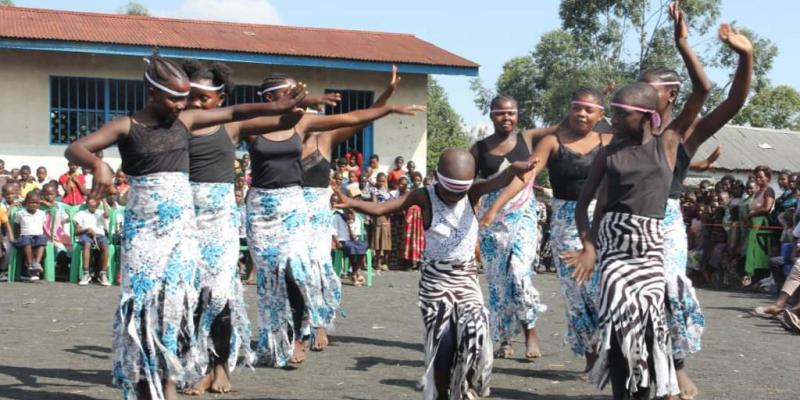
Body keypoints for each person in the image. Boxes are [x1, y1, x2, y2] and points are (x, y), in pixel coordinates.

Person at [64, 49, 306, 400]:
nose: (182, 105)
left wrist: (286, 105)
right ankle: (147, 381)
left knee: (179, 303)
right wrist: (96, 164)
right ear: (152, 93)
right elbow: (75, 148)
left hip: (183, 233)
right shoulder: (126, 126)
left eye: (185, 98)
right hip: (145, 233)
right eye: (175, 98)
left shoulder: (185, 122)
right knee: (146, 304)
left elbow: (238, 111)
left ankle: (171, 383)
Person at [245, 71, 423, 368]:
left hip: (311, 215)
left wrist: (388, 99)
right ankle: (281, 334)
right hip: (272, 210)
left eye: (302, 97)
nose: (301, 102)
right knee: (276, 276)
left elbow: (358, 118)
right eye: (293, 96)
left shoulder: (321, 135)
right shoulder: (262, 129)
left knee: (309, 271)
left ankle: (312, 328)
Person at [333, 148, 537, 400]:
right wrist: (352, 202)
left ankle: (467, 388)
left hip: (465, 278)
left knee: (475, 335)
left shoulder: (472, 192)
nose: (453, 195)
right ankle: (441, 395)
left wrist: (513, 170)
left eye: (460, 190)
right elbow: (383, 208)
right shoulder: (424, 196)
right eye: (449, 189)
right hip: (434, 281)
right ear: (436, 177)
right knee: (444, 343)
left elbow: (498, 181)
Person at [566, 65, 709, 399]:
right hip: (614, 251)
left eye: (621, 114)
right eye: (612, 113)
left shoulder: (668, 144)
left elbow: (701, 90)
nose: (612, 120)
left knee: (649, 330)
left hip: (649, 251)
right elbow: (585, 205)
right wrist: (590, 247)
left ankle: (645, 391)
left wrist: (683, 44)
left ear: (647, 116)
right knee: (618, 327)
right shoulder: (609, 154)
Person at [638, 16, 753, 398]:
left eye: (650, 90)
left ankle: (675, 366)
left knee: (668, 293)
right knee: (635, 301)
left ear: (671, 95)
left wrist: (744, 57)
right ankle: (643, 369)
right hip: (627, 225)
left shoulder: (686, 134)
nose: (642, 96)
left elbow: (733, 101)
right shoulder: (625, 131)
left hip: (666, 221)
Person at [180, 59, 308, 395]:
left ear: (219, 99)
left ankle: (221, 367)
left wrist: (296, 107)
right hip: (184, 224)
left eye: (201, 98)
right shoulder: (176, 126)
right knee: (191, 299)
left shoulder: (232, 128)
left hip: (220, 224)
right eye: (188, 96)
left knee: (219, 296)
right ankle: (202, 366)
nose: (194, 103)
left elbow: (282, 120)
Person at [480, 87, 613, 372]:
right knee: (575, 292)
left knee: (603, 288)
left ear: (601, 114)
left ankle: (612, 351)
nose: (582, 113)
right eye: (577, 107)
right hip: (565, 223)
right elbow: (525, 177)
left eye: (590, 109)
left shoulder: (610, 141)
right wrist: (494, 207)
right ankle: (590, 357)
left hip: (603, 221)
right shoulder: (551, 142)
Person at [301, 66, 403, 350]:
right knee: (293, 273)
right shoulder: (278, 138)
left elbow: (364, 118)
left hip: (318, 214)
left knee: (319, 270)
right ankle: (295, 327)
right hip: (288, 214)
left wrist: (388, 94)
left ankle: (320, 323)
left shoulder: (325, 139)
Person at [470, 94, 552, 360]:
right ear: (491, 115)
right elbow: (470, 188)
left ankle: (531, 333)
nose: (506, 118)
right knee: (497, 283)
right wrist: (473, 224)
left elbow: (565, 125)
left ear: (518, 114)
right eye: (500, 113)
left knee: (519, 274)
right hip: (490, 220)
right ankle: (504, 338)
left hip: (522, 214)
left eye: (511, 113)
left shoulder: (527, 139)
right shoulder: (479, 148)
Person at [743, 165, 775, 287]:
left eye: (761, 177)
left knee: (761, 253)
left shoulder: (769, 190)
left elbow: (766, 208)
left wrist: (750, 215)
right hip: (753, 225)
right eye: (756, 177)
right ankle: (752, 279)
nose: (758, 179)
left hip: (762, 225)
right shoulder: (757, 192)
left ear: (768, 178)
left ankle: (761, 280)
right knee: (752, 251)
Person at [74, 195, 111, 286]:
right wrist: (87, 229)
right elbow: (77, 231)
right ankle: (86, 273)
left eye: (96, 204)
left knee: (104, 245)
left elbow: (107, 215)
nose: (94, 206)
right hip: (86, 234)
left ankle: (103, 273)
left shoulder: (100, 213)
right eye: (91, 204)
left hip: (99, 235)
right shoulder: (81, 214)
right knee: (87, 244)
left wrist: (104, 201)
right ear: (87, 204)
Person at [14, 191, 47, 281]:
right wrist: (16, 237)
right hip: (25, 235)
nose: (34, 205)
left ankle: (36, 263)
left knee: (42, 239)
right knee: (26, 241)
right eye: (32, 202)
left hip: (37, 236)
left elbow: (43, 226)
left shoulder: (41, 213)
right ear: (26, 203)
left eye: (37, 203)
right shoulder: (20, 213)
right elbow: (17, 226)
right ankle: (30, 265)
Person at [332, 208, 369, 285]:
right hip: (342, 240)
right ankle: (355, 274)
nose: (352, 215)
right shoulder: (337, 217)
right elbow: (333, 232)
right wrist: (337, 243)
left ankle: (353, 273)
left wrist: (349, 225)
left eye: (353, 213)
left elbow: (354, 238)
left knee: (364, 246)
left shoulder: (357, 220)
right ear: (345, 212)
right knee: (352, 247)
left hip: (352, 241)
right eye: (349, 213)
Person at [370, 172, 393, 271]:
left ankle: (385, 262)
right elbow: (375, 203)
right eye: (380, 181)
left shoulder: (388, 192)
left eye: (383, 181)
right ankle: (377, 262)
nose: (381, 183)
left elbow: (391, 203)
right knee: (378, 240)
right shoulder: (374, 191)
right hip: (379, 216)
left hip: (387, 217)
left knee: (386, 240)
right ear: (377, 181)